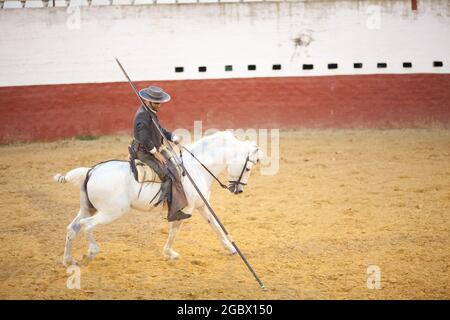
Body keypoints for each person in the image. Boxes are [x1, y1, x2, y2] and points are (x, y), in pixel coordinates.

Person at [131, 85, 191, 222]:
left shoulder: (150, 112)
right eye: (157, 102)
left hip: (152, 149)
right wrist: (155, 153)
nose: (159, 105)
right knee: (167, 174)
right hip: (144, 152)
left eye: (160, 102)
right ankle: (171, 210)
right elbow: (144, 137)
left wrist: (173, 137)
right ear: (148, 101)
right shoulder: (142, 115)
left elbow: (159, 129)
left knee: (174, 167)